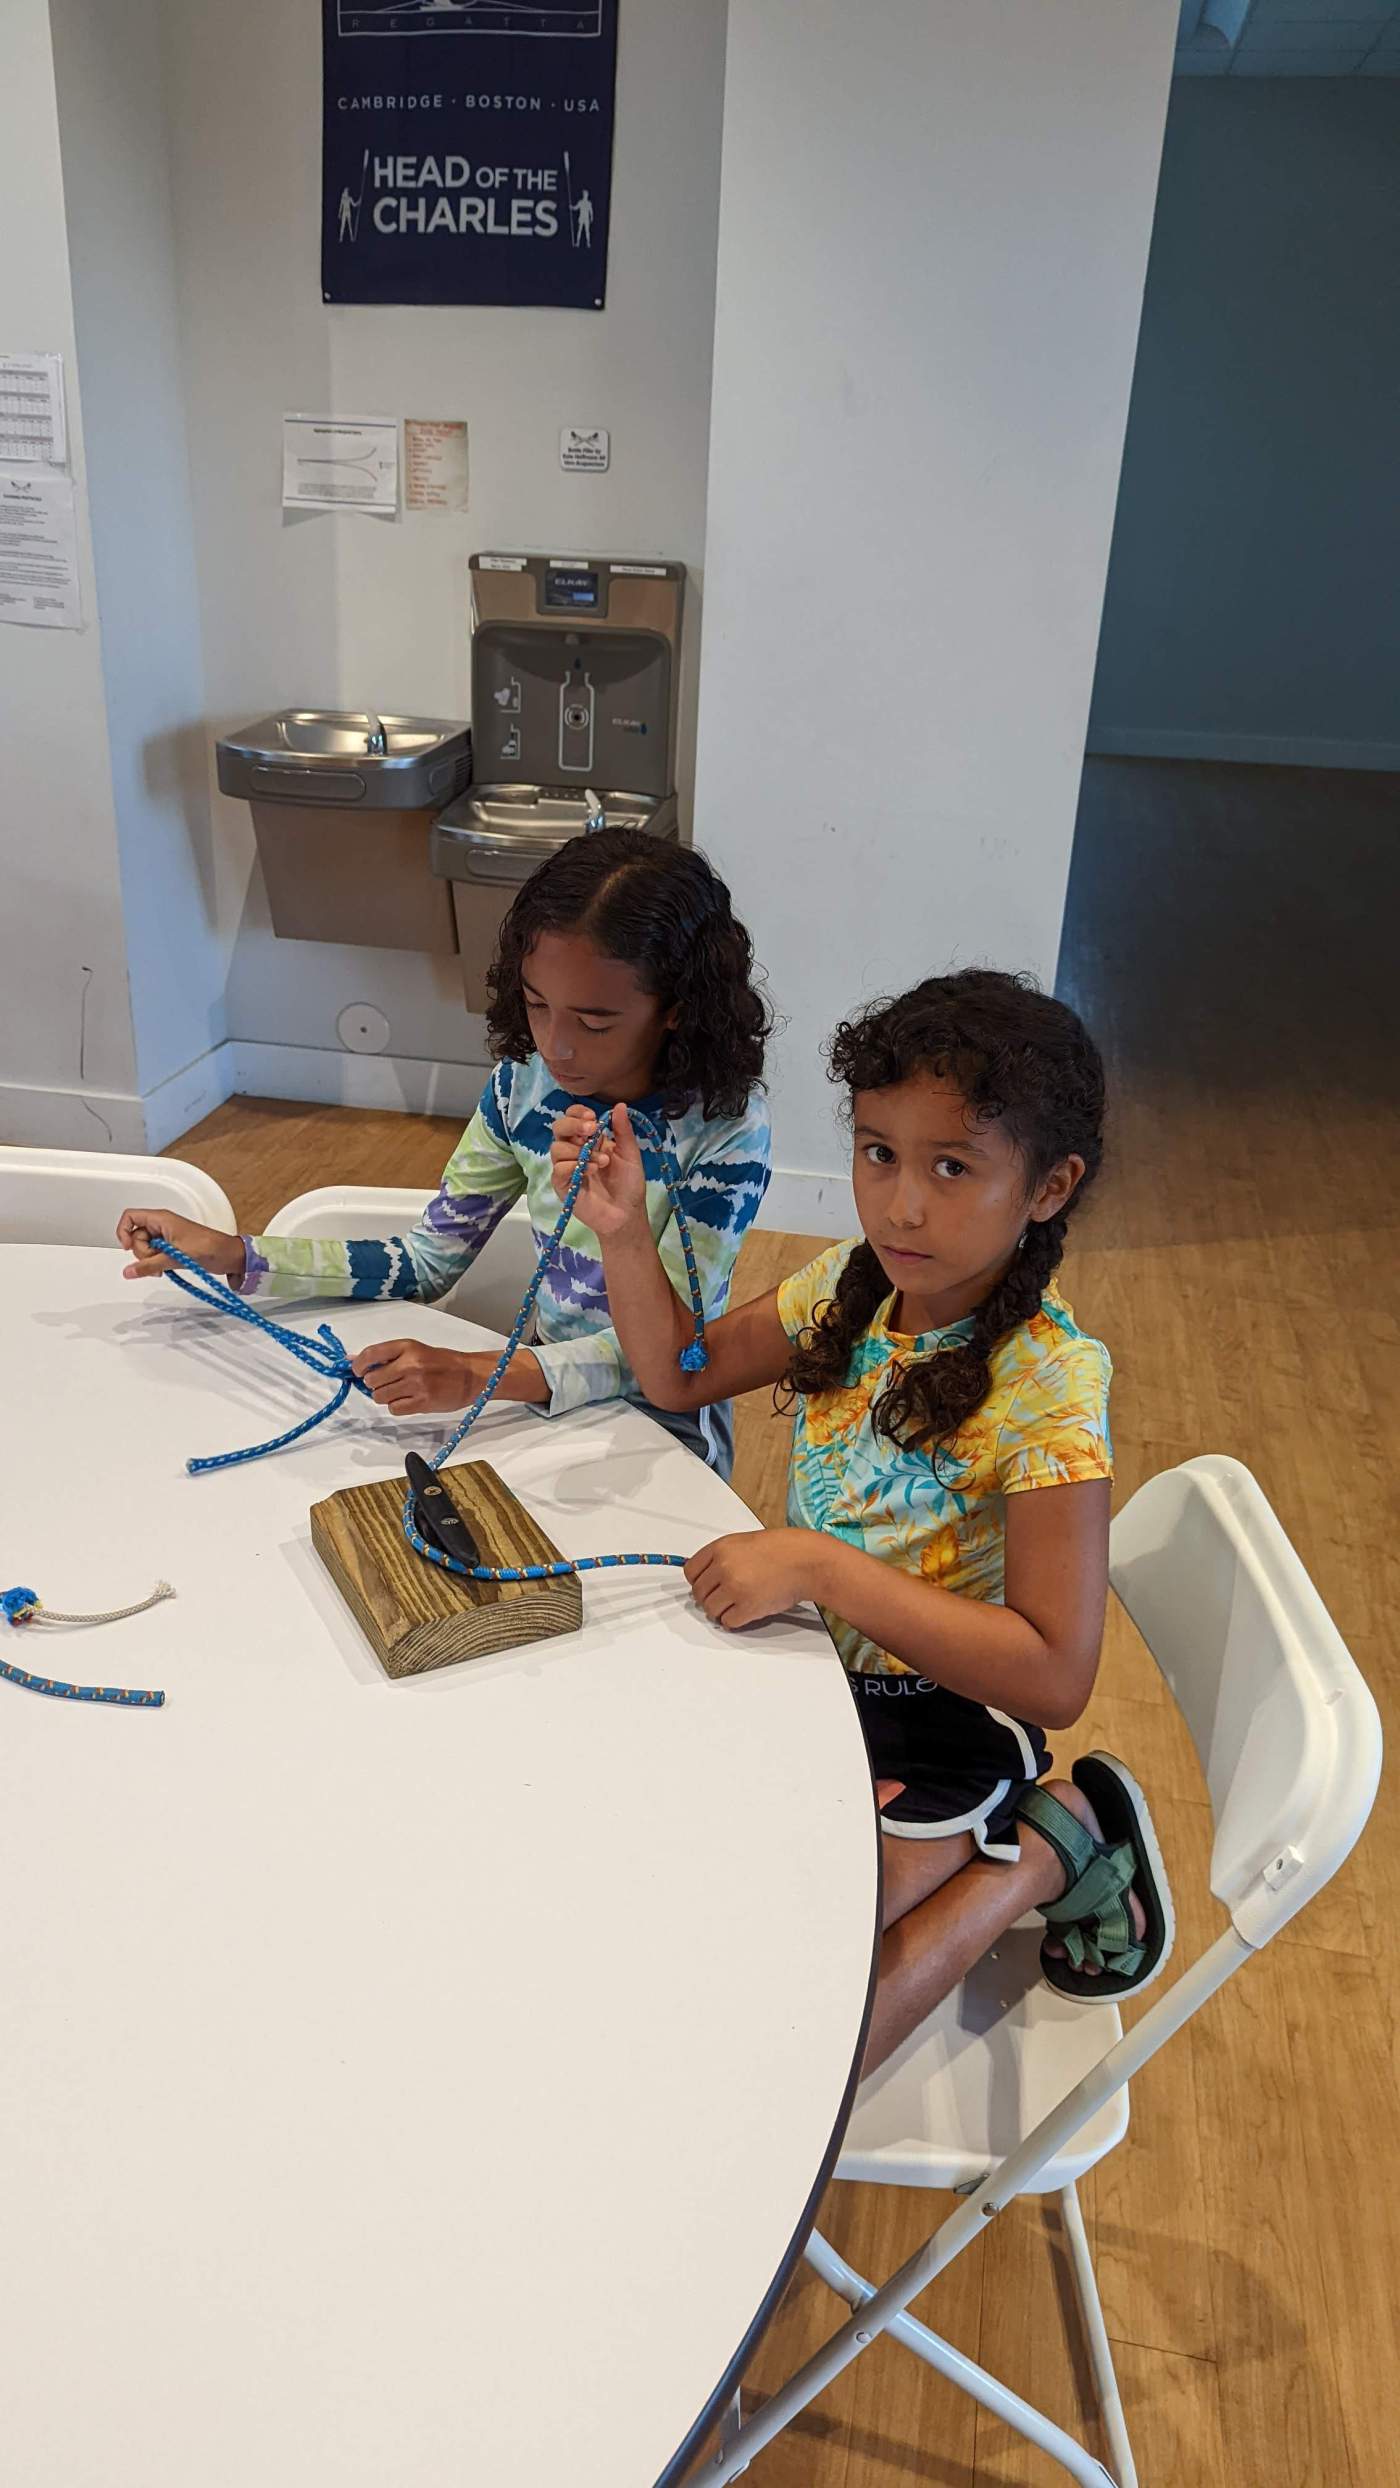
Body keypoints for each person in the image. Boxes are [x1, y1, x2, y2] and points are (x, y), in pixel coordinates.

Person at [551, 968, 1172, 2072]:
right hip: (811, 1685)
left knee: (802, 2027)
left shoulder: (1051, 1387)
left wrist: (818, 1566)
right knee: (681, 1904)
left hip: (948, 1725)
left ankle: (1043, 1845)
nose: (900, 1205)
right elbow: (676, 1371)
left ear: (1047, 1185)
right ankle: (1036, 1846)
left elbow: (1053, 1672)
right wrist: (622, 1232)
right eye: (878, 1153)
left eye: (951, 1166)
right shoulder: (847, 1287)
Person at [116, 830, 773, 1476]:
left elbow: (676, 1357)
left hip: (664, 1438)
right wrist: (234, 1253)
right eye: (537, 1004)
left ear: (678, 1010)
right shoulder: (523, 1088)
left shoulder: (726, 1130)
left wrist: (477, 1371)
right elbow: (425, 1261)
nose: (556, 1045)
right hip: (540, 1405)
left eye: (594, 1022)